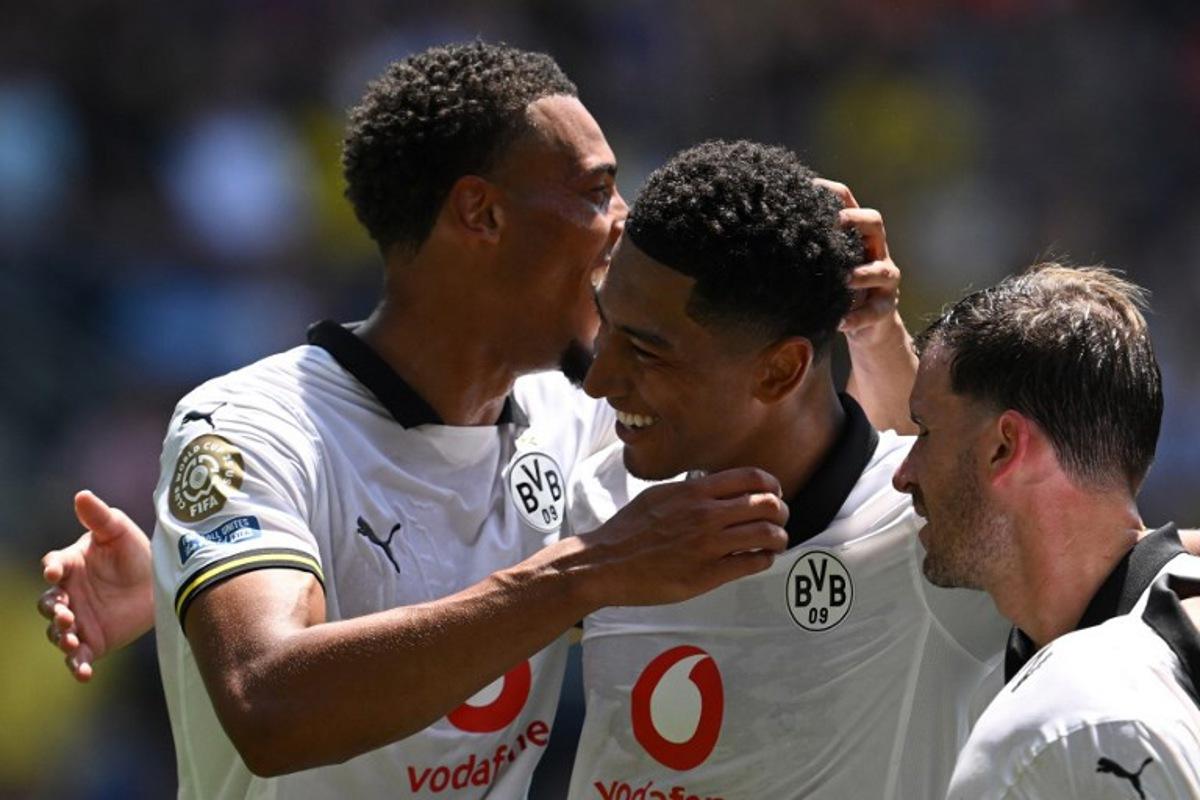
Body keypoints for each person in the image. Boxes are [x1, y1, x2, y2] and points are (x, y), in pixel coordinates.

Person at [36, 44, 914, 799]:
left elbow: (887, 498)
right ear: (480, 213)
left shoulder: (581, 421)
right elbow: (270, 703)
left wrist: (866, 336)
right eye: (598, 190)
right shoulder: (249, 428)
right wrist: (584, 574)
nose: (624, 224)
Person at [556, 139, 1007, 800]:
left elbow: (1131, 568)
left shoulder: (929, 544)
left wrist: (879, 340)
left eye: (646, 351)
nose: (597, 380)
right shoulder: (593, 507)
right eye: (607, 328)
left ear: (780, 370)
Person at [892, 265, 1200, 798]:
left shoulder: (1066, 723)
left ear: (1004, 447)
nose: (903, 474)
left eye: (924, 431)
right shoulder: (1157, 643)